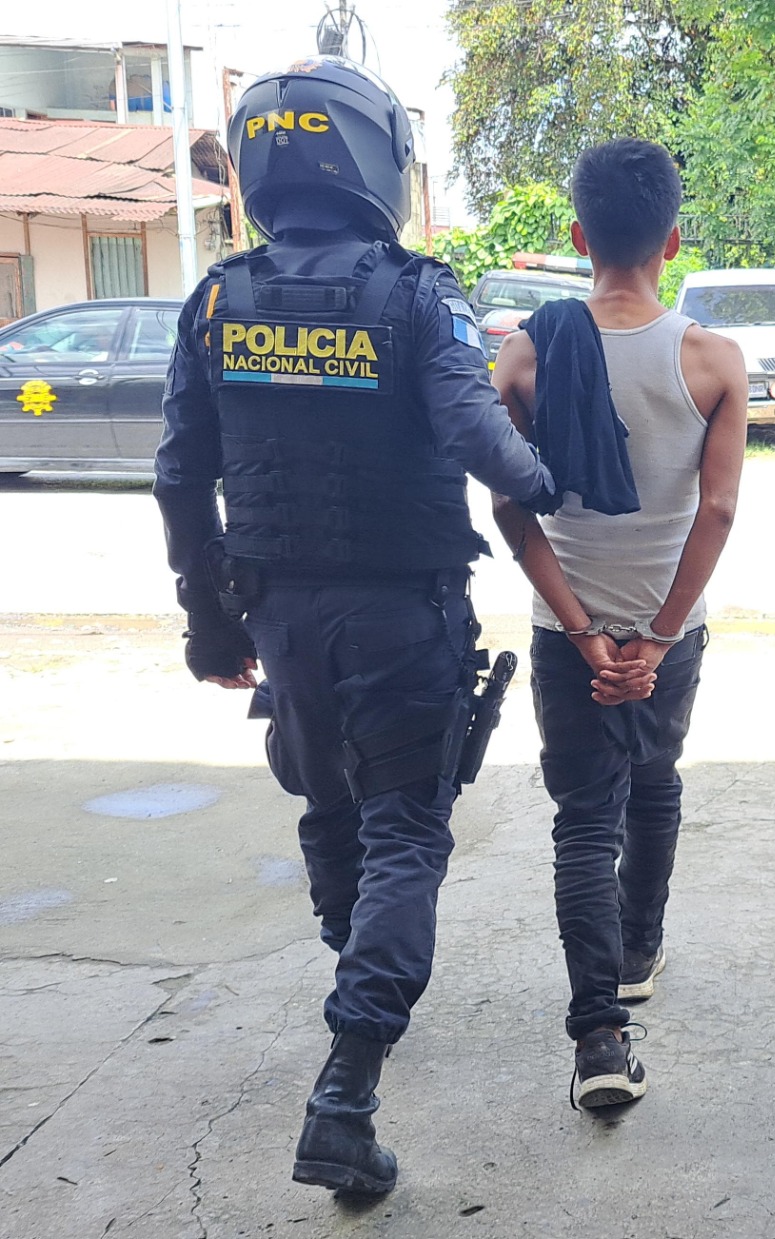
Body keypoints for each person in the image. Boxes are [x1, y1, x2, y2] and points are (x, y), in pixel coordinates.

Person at [154, 56, 555, 1195]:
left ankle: (355, 977)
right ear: (375, 160)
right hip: (402, 617)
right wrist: (554, 478)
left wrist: (207, 624)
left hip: (280, 616)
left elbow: (179, 477)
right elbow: (482, 441)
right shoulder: (418, 295)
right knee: (406, 834)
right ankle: (347, 1085)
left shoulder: (217, 300)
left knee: (331, 806)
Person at [489, 139, 748, 1110]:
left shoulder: (527, 352)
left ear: (576, 235)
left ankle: (599, 1036)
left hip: (569, 637)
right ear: (672, 240)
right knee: (654, 779)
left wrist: (585, 632)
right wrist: (659, 638)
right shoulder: (712, 359)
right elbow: (717, 511)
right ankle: (638, 951)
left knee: (583, 821)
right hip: (670, 635)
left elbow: (510, 507)